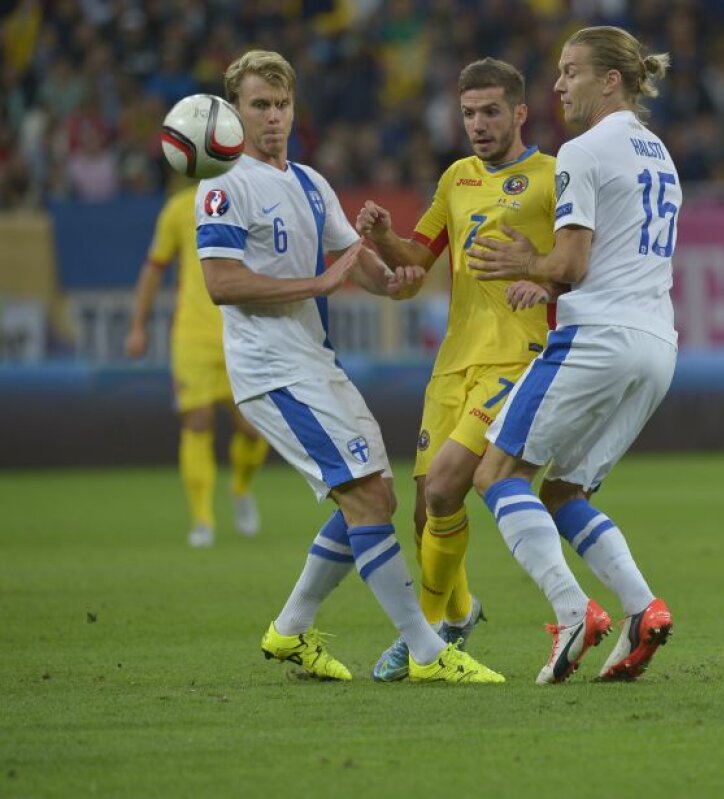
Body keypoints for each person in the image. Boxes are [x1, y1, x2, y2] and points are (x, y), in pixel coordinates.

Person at [195, 49, 502, 684]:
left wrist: (395, 279)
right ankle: (425, 650)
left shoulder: (309, 182)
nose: (273, 117)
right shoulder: (222, 186)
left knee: (375, 495)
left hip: (314, 362)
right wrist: (317, 283)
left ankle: (288, 632)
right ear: (234, 112)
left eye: (281, 105)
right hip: (271, 372)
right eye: (259, 105)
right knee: (366, 496)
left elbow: (357, 262)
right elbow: (222, 284)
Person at [466, 26, 678, 684]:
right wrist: (549, 275)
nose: (558, 85)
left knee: (496, 473)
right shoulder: (661, 154)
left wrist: (528, 263)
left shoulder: (582, 151)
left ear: (609, 79)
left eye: (570, 72)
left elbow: (575, 262)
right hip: (657, 345)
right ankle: (643, 610)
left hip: (598, 337)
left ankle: (571, 610)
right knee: (565, 489)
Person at [355, 58, 558, 682]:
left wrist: (542, 280)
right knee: (423, 512)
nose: (478, 124)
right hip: (453, 362)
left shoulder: (554, 178)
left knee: (447, 486)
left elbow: (583, 263)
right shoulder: (456, 179)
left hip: (517, 356)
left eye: (491, 111)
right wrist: (386, 239)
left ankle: (425, 638)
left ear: (519, 112)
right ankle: (460, 612)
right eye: (468, 113)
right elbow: (418, 258)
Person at [125, 172, 268, 548]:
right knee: (198, 420)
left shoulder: (251, 200)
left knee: (254, 429)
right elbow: (154, 268)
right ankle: (203, 519)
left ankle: (240, 487)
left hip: (244, 332)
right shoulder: (177, 209)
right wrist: (137, 325)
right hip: (192, 335)